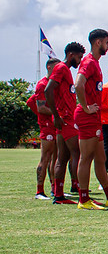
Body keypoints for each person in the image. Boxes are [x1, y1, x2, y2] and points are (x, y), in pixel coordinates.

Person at [73, 29, 108, 210]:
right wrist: (86, 106)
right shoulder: (88, 62)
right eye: (106, 42)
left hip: (94, 117)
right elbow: (78, 84)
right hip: (87, 116)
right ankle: (84, 199)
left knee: (100, 158)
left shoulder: (95, 63)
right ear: (98, 43)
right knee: (86, 158)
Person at [45, 41, 85, 204]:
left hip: (66, 118)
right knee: (78, 153)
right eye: (79, 57)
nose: (80, 61)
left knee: (63, 157)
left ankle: (59, 194)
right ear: (71, 55)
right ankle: (82, 191)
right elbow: (48, 90)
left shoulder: (66, 70)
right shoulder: (61, 68)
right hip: (65, 118)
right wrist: (57, 115)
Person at [29, 58, 60, 199]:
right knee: (46, 157)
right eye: (55, 67)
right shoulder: (42, 85)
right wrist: (58, 113)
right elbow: (40, 107)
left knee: (56, 158)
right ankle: (39, 191)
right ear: (48, 67)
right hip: (47, 126)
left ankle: (55, 189)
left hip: (55, 125)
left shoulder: (55, 84)